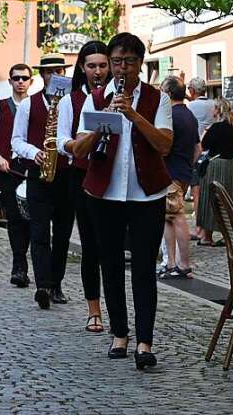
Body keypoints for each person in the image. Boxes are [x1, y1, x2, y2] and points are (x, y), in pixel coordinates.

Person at [74, 32, 173, 369]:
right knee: (111, 264)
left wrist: (132, 115)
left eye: (129, 62)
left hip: (147, 194)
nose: (122, 69)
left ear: (140, 65)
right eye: (117, 62)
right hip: (105, 193)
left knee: (144, 267)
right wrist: (100, 124)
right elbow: (79, 148)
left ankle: (145, 341)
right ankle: (120, 333)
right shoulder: (95, 98)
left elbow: (164, 145)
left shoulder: (157, 99)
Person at [11, 54, 74, 310]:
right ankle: (42, 286)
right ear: (43, 76)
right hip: (39, 175)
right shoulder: (29, 104)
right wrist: (32, 152)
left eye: (58, 71)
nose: (54, 76)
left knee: (62, 234)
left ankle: (56, 283)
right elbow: (16, 140)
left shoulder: (72, 102)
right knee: (39, 233)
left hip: (66, 176)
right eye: (49, 72)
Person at [58, 41, 109, 332]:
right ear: (82, 68)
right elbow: (62, 140)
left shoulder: (118, 96)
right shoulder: (71, 101)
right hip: (82, 175)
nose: (98, 71)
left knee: (110, 246)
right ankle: (94, 310)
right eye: (92, 66)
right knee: (90, 246)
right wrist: (76, 144)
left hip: (112, 174)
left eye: (103, 65)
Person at [0, 64, 34, 287]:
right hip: (9, 171)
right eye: (16, 78)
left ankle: (36, 265)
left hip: (34, 171)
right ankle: (19, 266)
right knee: (14, 219)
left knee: (33, 220)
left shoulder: (38, 106)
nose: (20, 82)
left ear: (31, 81)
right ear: (10, 81)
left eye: (24, 78)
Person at [159, 76, 198, 277]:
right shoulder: (189, 116)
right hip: (182, 171)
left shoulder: (170, 116)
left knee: (177, 216)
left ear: (167, 93)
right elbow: (197, 148)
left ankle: (183, 264)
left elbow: (163, 146)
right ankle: (171, 263)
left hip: (171, 171)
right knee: (168, 217)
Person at [195, 98, 233, 247]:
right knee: (230, 198)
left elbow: (203, 146)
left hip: (215, 166)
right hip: (231, 166)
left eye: (214, 108)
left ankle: (207, 237)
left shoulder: (215, 128)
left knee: (211, 200)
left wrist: (205, 134)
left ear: (218, 110)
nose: (212, 110)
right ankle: (228, 234)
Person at [185, 76, 215, 240]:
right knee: (210, 192)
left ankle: (199, 229)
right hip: (213, 154)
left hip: (196, 153)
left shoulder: (191, 107)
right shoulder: (213, 105)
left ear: (192, 90)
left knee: (197, 192)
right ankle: (209, 229)